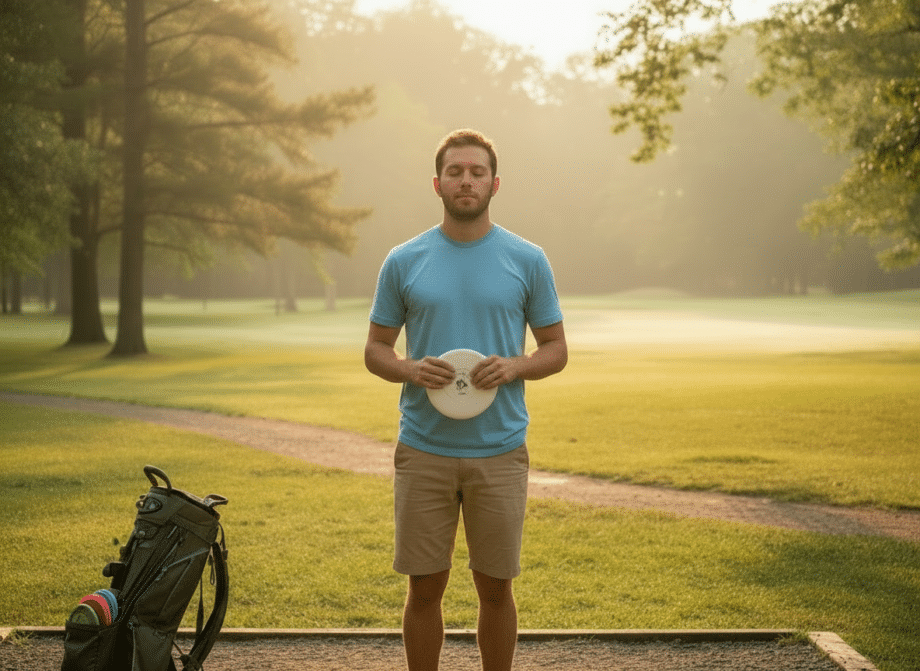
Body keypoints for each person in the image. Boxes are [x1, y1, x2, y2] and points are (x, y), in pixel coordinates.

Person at [364, 129, 567, 671]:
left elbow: (556, 348)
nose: (466, 180)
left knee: (496, 589)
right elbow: (376, 349)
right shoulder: (404, 260)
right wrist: (409, 368)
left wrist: (515, 365)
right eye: (455, 171)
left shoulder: (527, 259)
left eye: (477, 172)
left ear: (495, 183)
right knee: (424, 590)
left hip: (499, 450)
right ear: (437, 182)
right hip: (424, 449)